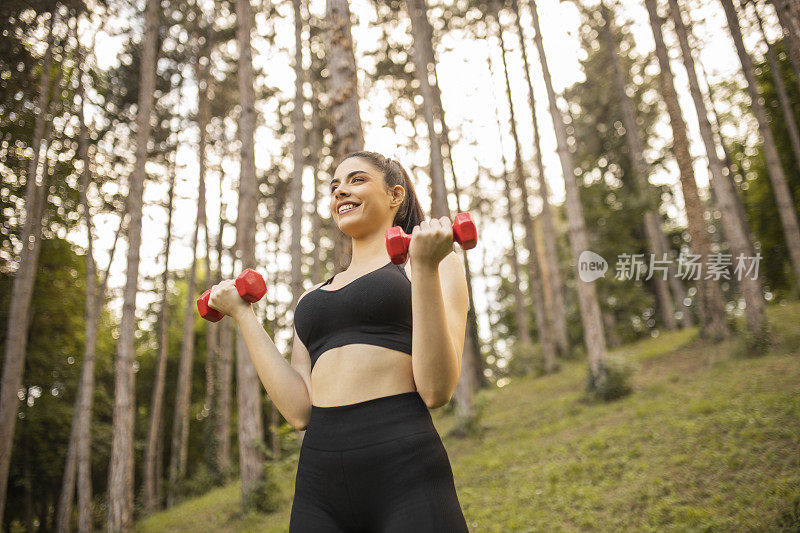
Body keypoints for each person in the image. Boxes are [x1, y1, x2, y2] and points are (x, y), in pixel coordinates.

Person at [207, 150, 470, 532]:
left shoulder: (432, 260)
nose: (341, 191)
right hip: (320, 478)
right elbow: (299, 410)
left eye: (357, 180)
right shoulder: (311, 299)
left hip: (405, 466)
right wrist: (244, 315)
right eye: (335, 186)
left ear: (396, 196)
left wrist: (426, 265)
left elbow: (436, 390)